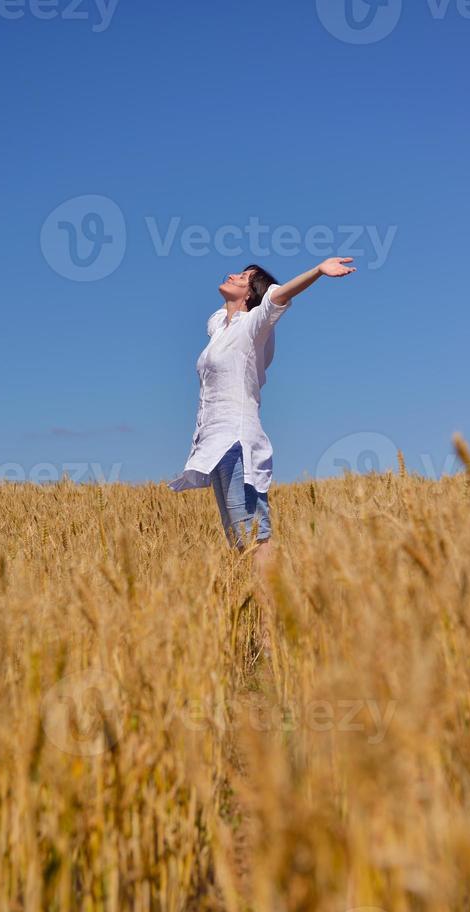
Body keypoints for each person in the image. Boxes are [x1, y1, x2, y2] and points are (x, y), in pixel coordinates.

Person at [167, 257, 357, 652]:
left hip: (238, 442)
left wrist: (318, 272)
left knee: (257, 541)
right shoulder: (221, 328)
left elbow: (278, 295)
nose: (233, 275)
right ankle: (269, 631)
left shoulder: (255, 325)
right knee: (240, 543)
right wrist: (234, 300)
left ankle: (275, 636)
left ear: (254, 294)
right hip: (211, 446)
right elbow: (221, 311)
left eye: (244, 277)